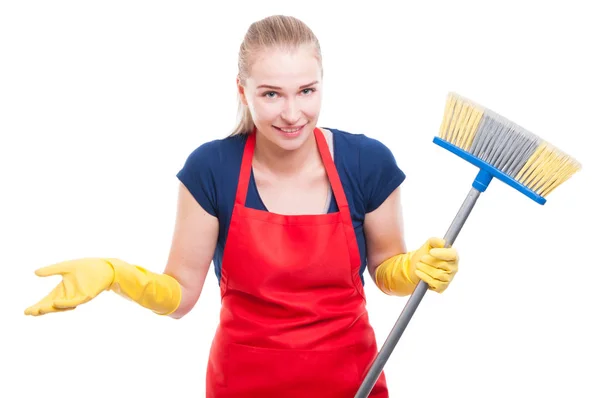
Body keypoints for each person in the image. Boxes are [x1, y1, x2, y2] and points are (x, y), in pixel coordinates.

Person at [24, 15, 459, 398]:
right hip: (244, 385)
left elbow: (386, 271)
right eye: (272, 94)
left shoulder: (366, 163)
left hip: (350, 382)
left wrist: (412, 268)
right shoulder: (213, 168)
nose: (292, 113)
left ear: (322, 84)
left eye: (306, 91)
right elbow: (179, 296)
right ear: (243, 90)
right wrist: (116, 275)